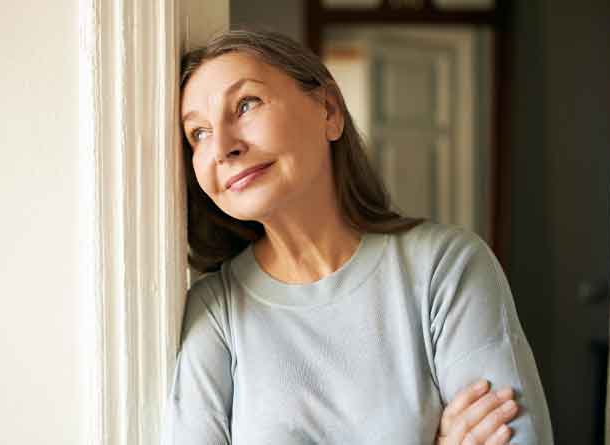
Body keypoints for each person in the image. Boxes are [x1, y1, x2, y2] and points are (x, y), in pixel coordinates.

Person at [164, 29, 553, 444]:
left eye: (245, 104)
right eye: (198, 134)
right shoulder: (215, 311)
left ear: (329, 110)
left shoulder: (447, 267)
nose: (222, 147)